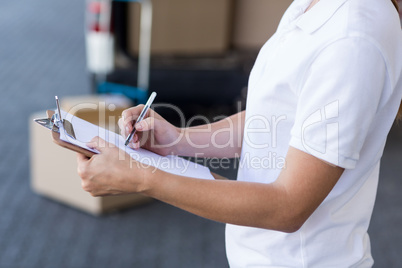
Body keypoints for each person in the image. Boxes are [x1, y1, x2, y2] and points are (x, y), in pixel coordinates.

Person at [77, 0, 402, 266]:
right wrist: (176, 141)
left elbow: (288, 207)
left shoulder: (353, 37)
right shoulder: (314, 7)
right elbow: (276, 117)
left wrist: (142, 178)